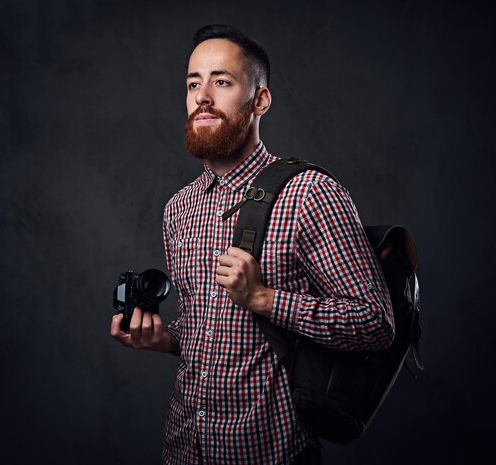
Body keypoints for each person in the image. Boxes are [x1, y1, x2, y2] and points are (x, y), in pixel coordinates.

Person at [111, 24, 394, 465]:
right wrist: (165, 340)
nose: (203, 96)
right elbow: (209, 328)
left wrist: (264, 298)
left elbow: (376, 323)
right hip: (185, 448)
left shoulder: (309, 193)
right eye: (193, 83)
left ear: (260, 100)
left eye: (221, 81)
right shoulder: (179, 209)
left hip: (270, 452)